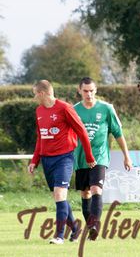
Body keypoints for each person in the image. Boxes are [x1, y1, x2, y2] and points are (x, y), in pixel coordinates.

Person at [28, 80, 96, 245]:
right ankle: (75, 228)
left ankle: (59, 235)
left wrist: (89, 156)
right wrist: (34, 160)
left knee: (60, 194)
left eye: (35, 94)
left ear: (42, 93)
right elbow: (40, 137)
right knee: (59, 198)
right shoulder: (39, 111)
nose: (34, 97)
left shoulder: (65, 108)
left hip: (64, 158)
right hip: (46, 159)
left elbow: (82, 131)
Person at [73, 77, 132, 241]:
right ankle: (91, 228)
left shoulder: (106, 109)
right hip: (80, 158)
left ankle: (94, 225)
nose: (89, 94)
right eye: (85, 91)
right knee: (85, 194)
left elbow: (118, 133)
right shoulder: (74, 110)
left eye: (91, 90)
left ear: (96, 90)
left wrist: (126, 156)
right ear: (79, 91)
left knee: (96, 190)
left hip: (99, 157)